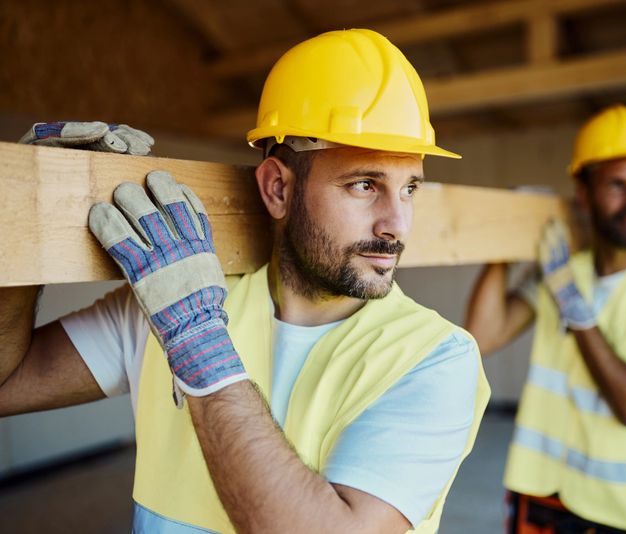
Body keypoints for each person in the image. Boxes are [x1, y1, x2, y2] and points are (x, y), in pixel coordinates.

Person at [0, 29, 490, 534]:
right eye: (364, 185)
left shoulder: (434, 358)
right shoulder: (166, 303)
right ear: (278, 188)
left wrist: (198, 345)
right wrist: (20, 225)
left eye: (409, 188)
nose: (397, 224)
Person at [465, 105, 626, 534]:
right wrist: (505, 238)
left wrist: (571, 301)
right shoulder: (564, 269)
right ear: (584, 194)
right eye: (617, 186)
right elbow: (483, 334)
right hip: (547, 496)